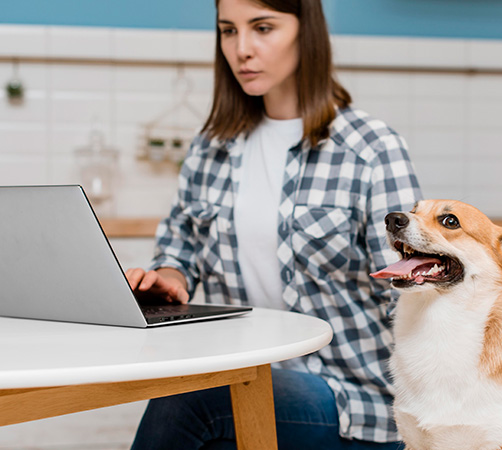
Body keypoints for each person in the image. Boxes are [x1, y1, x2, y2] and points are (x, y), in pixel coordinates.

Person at [127, 0, 421, 448]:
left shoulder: (371, 149)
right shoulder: (212, 147)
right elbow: (178, 248)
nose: (242, 48)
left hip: (352, 398)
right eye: (228, 30)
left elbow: (410, 296)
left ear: (307, 33)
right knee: (200, 400)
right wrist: (167, 279)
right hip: (248, 377)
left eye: (262, 27)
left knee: (191, 400)